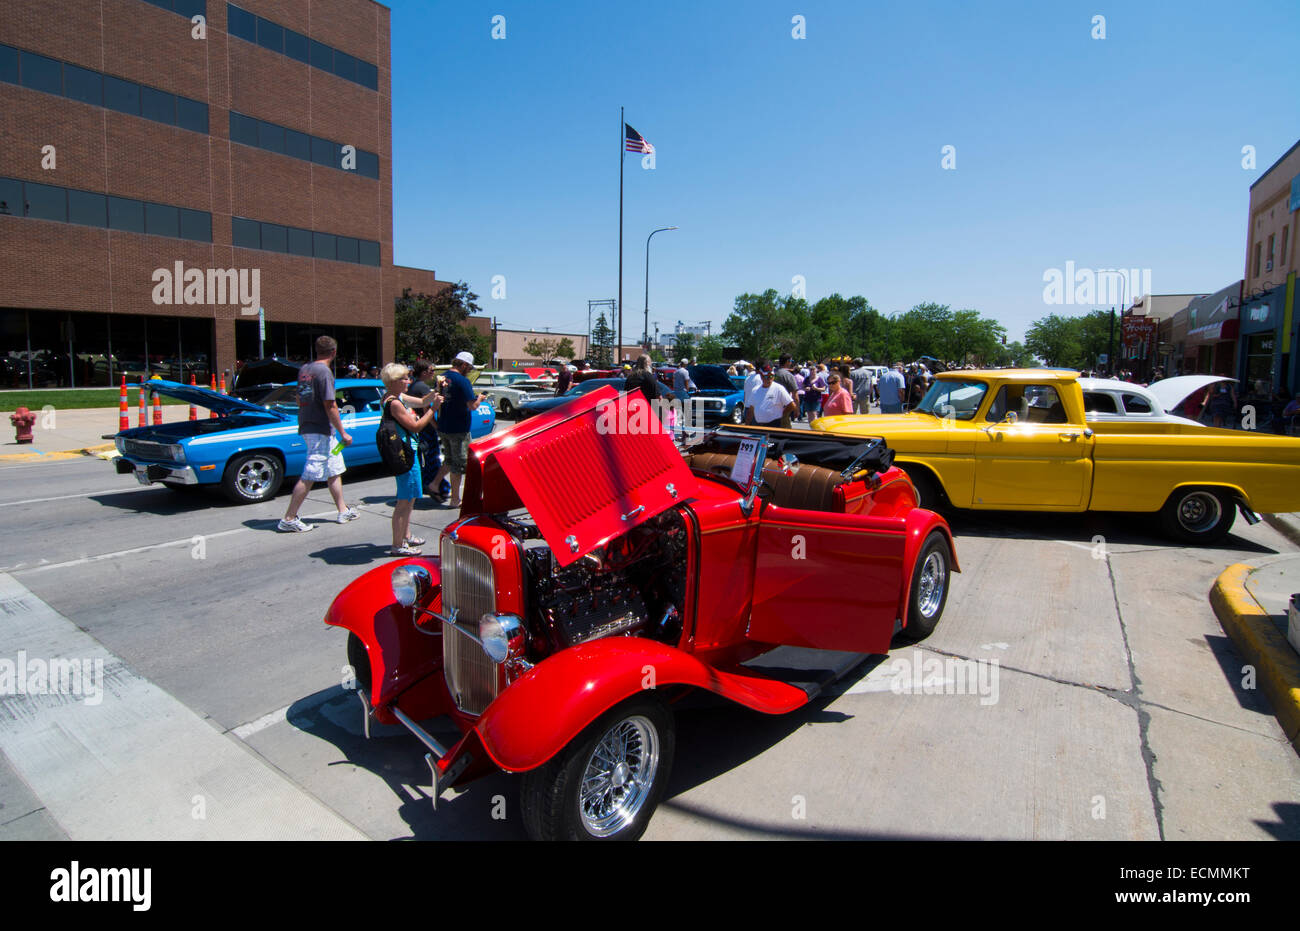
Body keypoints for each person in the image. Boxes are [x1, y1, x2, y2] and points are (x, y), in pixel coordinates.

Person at [279, 335, 357, 532]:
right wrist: (343, 433)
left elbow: (299, 398)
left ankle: (343, 510)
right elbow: (330, 404)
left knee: (333, 468)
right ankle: (289, 518)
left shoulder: (305, 369)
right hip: (319, 428)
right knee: (311, 473)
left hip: (309, 424)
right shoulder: (324, 372)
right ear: (334, 352)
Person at [379, 364, 436, 556]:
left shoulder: (397, 397)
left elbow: (421, 401)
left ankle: (406, 535)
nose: (408, 381)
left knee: (410, 498)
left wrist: (436, 390)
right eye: (404, 378)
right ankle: (397, 545)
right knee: (403, 501)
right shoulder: (394, 403)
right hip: (404, 454)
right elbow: (416, 426)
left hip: (409, 452)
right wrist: (433, 410)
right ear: (393, 381)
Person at [429, 352, 489, 509]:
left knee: (449, 459)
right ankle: (455, 499)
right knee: (459, 464)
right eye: (469, 367)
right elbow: (472, 406)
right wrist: (480, 399)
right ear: (463, 365)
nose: (469, 370)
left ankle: (434, 484)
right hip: (459, 428)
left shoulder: (442, 377)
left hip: (444, 424)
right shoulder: (463, 381)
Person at [406, 359, 446, 500]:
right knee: (432, 458)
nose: (433, 373)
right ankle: (437, 487)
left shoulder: (413, 386)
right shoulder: (422, 387)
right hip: (426, 428)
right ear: (424, 372)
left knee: (423, 459)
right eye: (431, 371)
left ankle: (427, 485)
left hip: (418, 428)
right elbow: (426, 408)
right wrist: (436, 426)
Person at [773, 356, 800, 428]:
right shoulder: (788, 375)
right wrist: (797, 409)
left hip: (771, 406)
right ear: (788, 361)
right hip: (784, 408)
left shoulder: (773, 374)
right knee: (785, 431)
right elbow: (795, 395)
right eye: (791, 361)